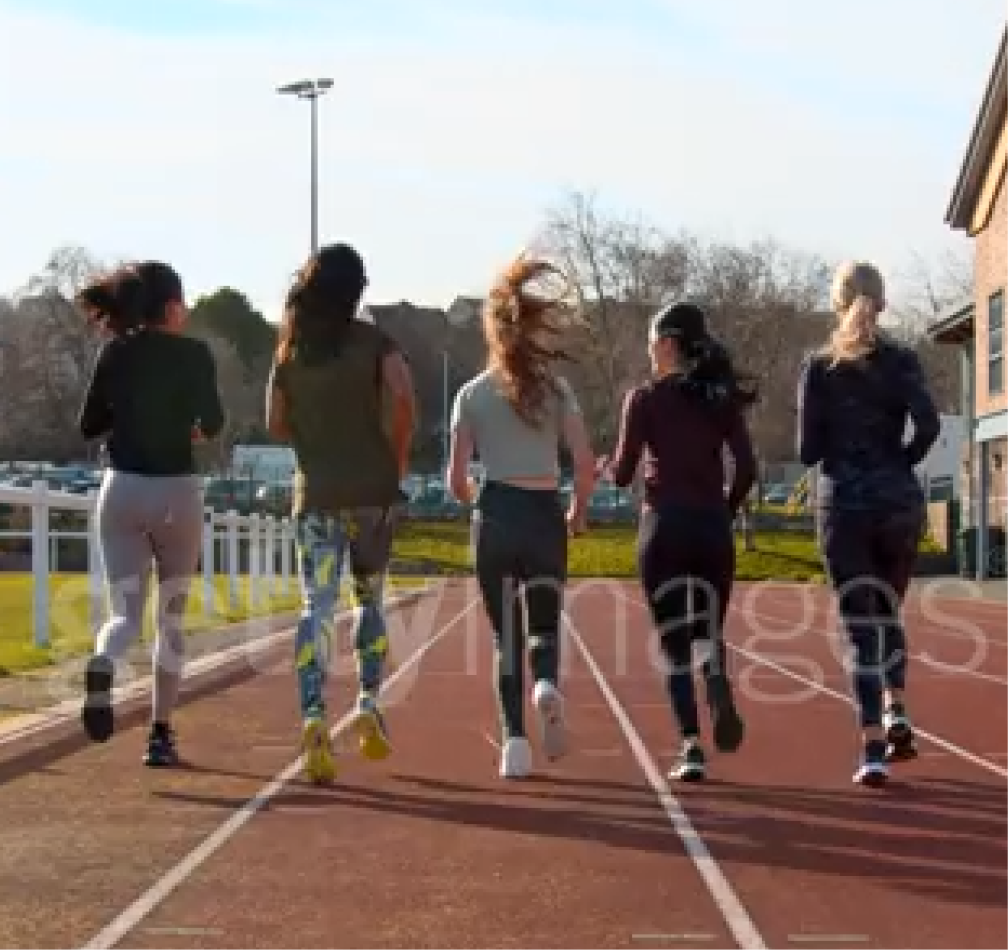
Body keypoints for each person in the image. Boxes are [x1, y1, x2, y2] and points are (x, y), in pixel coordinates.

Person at [266, 242, 417, 785]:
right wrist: (395, 454)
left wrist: (315, 436)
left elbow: (274, 423)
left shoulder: (290, 350)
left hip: (317, 495)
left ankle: (313, 712)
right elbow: (404, 397)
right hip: (373, 491)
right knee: (369, 598)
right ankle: (368, 701)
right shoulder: (376, 343)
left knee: (318, 603)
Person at [446, 255, 595, 780]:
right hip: (543, 513)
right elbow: (584, 462)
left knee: (504, 636)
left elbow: (456, 478)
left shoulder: (471, 394)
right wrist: (577, 509)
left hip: (496, 514)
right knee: (544, 623)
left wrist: (475, 500)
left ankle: (514, 744)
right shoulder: (557, 391)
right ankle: (545, 683)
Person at [597, 301, 756, 782]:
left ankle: (691, 746)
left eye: (651, 342)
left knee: (673, 645)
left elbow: (623, 474)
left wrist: (605, 466)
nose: (649, 351)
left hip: (663, 528)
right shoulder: (721, 400)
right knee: (707, 631)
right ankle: (716, 682)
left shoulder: (644, 400)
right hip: (711, 529)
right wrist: (725, 510)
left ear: (667, 344)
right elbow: (747, 469)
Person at [75, 261, 225, 767]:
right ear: (173, 307)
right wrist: (188, 428)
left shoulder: (115, 352)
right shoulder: (194, 354)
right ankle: (160, 733)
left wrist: (128, 412)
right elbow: (214, 422)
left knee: (124, 615)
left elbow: (88, 424)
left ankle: (104, 661)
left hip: (121, 489)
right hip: (176, 492)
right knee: (171, 619)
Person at [797, 260, 939, 786]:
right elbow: (928, 424)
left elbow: (807, 450)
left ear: (837, 303)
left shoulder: (819, 367)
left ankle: (874, 748)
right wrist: (900, 461)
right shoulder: (903, 360)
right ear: (882, 302)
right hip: (897, 501)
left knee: (861, 629)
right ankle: (896, 704)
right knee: (888, 611)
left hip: (845, 506)